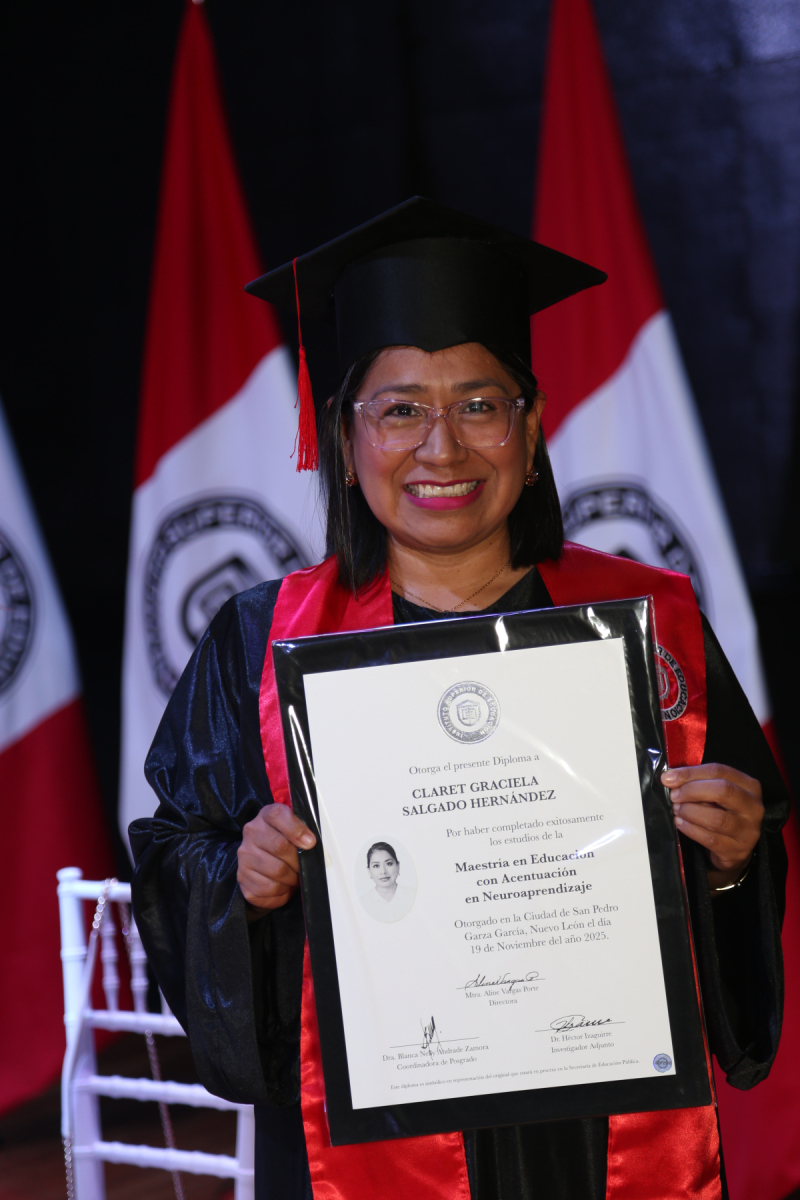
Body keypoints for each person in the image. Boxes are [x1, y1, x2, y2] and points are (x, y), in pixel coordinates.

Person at [131, 198, 788, 1200]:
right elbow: (178, 853)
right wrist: (242, 879)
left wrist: (734, 859)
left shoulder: (654, 623)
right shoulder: (260, 642)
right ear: (345, 436)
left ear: (530, 429)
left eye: (479, 405)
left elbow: (739, 864)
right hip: (376, 1124)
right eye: (400, 410)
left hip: (599, 1118)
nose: (441, 448)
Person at [360, 841, 415, 922]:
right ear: (369, 871)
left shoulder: (412, 895)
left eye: (389, 864)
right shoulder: (363, 902)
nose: (383, 871)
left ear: (398, 866)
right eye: (376, 866)